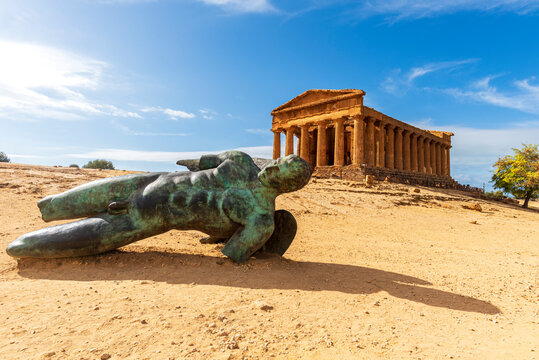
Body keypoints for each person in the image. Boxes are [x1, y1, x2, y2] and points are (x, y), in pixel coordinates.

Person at [6, 151, 311, 263]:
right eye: (277, 162)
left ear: (286, 186)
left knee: (36, 244)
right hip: (153, 182)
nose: (270, 167)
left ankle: (25, 246)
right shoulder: (258, 213)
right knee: (53, 205)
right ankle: (40, 222)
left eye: (278, 170)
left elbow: (233, 253)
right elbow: (235, 251)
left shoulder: (261, 217)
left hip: (157, 213)